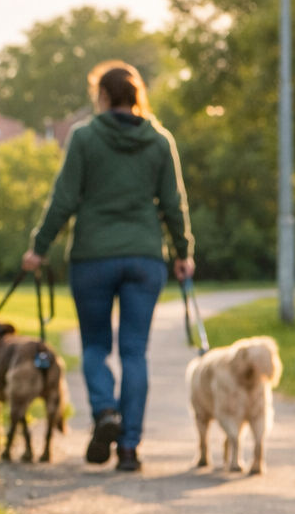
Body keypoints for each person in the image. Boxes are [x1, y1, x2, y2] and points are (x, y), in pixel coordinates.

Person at [21, 60, 194, 473]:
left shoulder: (85, 138)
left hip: (93, 257)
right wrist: (184, 251)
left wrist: (38, 248)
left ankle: (106, 413)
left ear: (101, 96)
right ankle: (130, 448)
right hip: (144, 258)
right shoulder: (159, 140)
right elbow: (174, 203)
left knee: (95, 346)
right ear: (136, 95)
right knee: (135, 352)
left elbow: (64, 199)